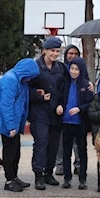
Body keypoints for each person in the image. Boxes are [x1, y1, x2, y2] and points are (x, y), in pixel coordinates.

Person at [0, 58, 39, 192]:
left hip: (14, 121)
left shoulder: (20, 80)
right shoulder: (10, 80)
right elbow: (7, 105)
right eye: (30, 75)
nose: (30, 79)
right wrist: (11, 126)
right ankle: (9, 180)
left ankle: (14, 177)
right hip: (7, 122)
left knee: (16, 151)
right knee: (10, 152)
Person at [28, 37, 67, 190]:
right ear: (44, 50)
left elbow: (66, 89)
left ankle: (48, 173)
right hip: (39, 112)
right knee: (41, 143)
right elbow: (27, 90)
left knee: (53, 145)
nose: (55, 54)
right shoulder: (35, 67)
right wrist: (39, 97)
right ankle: (38, 174)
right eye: (52, 51)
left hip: (55, 113)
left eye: (57, 51)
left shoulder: (61, 68)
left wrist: (61, 104)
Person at [58, 57, 93, 189]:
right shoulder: (65, 83)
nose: (73, 71)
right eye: (71, 68)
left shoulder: (86, 84)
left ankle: (82, 179)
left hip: (80, 123)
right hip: (66, 121)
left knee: (82, 152)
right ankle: (67, 178)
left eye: (76, 69)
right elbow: (60, 98)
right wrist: (60, 106)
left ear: (81, 70)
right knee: (66, 152)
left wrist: (79, 109)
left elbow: (90, 103)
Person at [55, 43, 88, 176]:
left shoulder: (83, 75)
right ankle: (60, 165)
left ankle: (78, 165)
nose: (73, 56)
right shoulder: (61, 70)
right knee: (62, 143)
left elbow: (88, 96)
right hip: (64, 115)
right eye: (70, 53)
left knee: (78, 144)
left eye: (75, 54)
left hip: (79, 118)